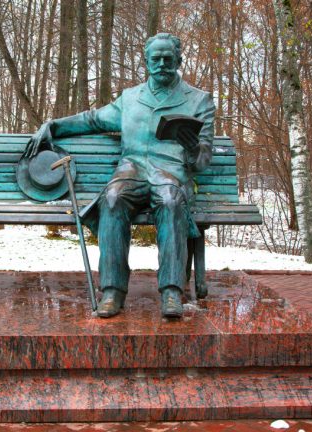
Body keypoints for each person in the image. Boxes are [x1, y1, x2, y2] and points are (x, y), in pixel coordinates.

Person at [23, 33, 215, 318]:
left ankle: (172, 290)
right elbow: (92, 120)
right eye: (155, 59)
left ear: (178, 60)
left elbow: (202, 162)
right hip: (132, 170)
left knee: (171, 200)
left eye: (167, 59)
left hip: (171, 174)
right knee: (112, 198)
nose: (161, 64)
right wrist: (54, 126)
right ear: (147, 62)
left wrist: (191, 146)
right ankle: (112, 289)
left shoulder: (199, 101)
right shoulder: (131, 98)